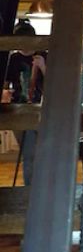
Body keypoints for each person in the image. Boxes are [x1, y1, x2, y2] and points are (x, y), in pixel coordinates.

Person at [4, 19, 46, 185]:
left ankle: (39, 187)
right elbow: (7, 84)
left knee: (40, 153)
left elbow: (58, 84)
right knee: (28, 154)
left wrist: (43, 67)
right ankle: (31, 189)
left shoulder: (45, 56)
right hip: (19, 110)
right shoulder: (13, 59)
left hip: (43, 111)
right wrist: (6, 93)